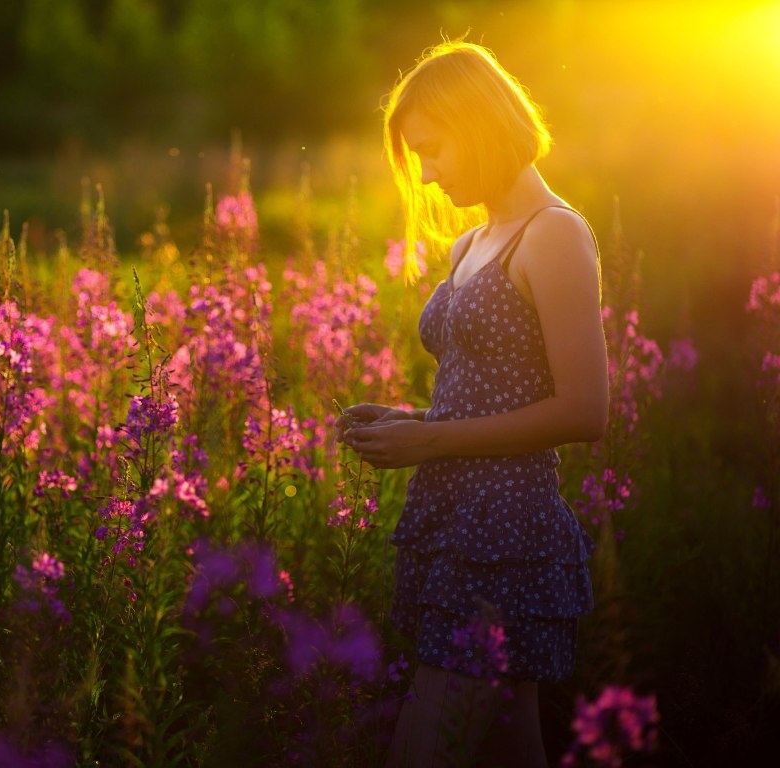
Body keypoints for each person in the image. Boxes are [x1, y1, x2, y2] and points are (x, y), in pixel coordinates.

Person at [335, 41, 608, 767]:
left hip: (507, 536)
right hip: (453, 526)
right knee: (505, 749)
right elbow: (486, 396)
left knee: (426, 750)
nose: (427, 172)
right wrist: (412, 423)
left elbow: (586, 410)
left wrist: (429, 444)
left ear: (480, 123)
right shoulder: (470, 244)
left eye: (432, 148)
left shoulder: (553, 234)